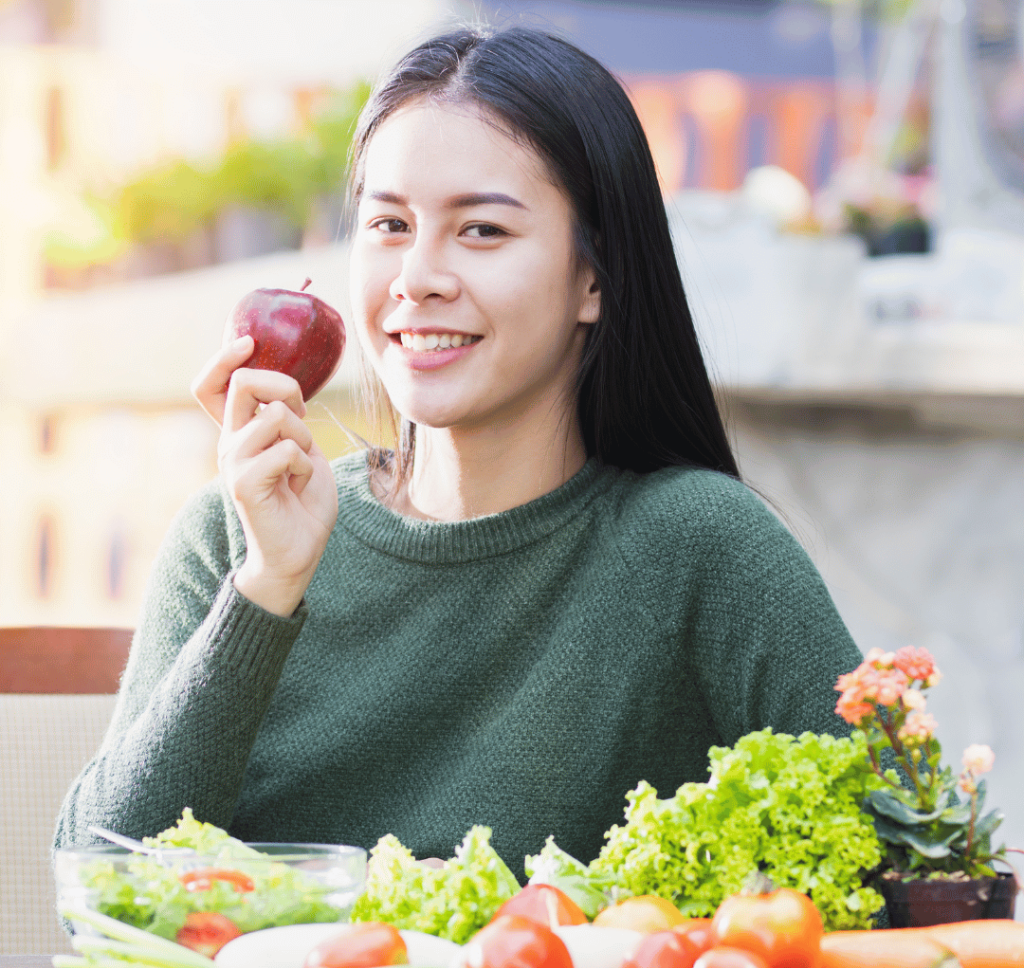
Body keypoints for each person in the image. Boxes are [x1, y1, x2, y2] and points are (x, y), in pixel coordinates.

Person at [54, 26, 861, 875]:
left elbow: (909, 869)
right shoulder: (232, 540)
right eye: (390, 224)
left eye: (480, 231)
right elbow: (99, 879)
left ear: (595, 278)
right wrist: (267, 588)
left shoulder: (703, 546)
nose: (417, 277)